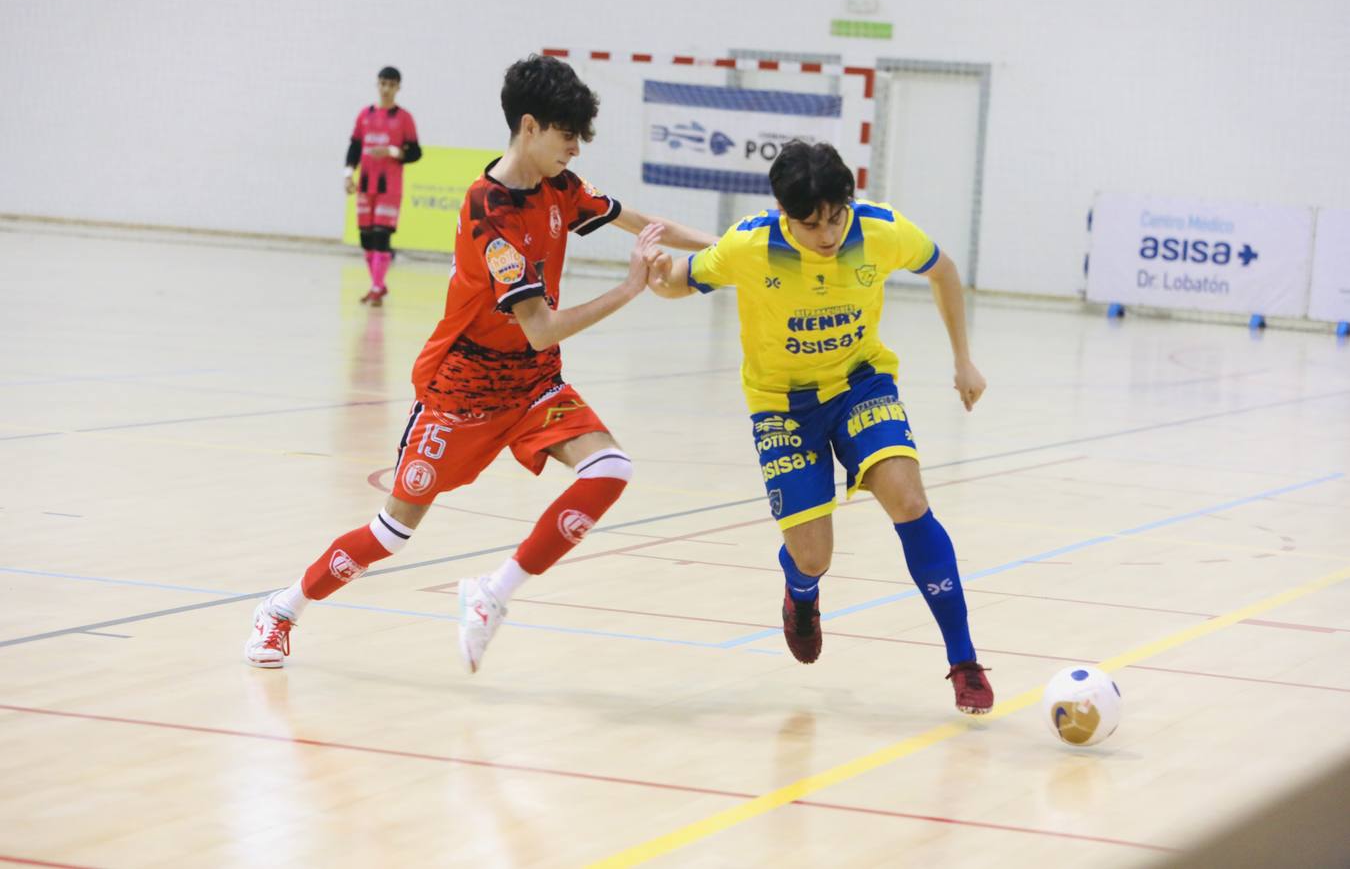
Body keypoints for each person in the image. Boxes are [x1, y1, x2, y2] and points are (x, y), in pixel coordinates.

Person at [248, 55, 714, 672]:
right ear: (529, 126)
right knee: (391, 534)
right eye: (566, 134)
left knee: (610, 468)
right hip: (460, 392)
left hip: (533, 384)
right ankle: (282, 610)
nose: (575, 149)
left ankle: (493, 595)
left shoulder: (561, 189)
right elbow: (541, 326)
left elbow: (646, 222)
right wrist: (630, 289)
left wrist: (736, 247)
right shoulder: (487, 212)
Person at [644, 141, 995, 714]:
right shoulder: (750, 245)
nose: (827, 234)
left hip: (861, 385)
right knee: (811, 557)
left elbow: (945, 270)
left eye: (835, 217)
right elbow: (681, 279)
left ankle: (963, 661)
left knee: (908, 500)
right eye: (811, 225)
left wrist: (963, 359)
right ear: (785, 215)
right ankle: (801, 593)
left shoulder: (881, 231)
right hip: (782, 405)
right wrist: (658, 274)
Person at [345, 66, 422, 306]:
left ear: (398, 87)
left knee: (381, 234)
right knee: (366, 237)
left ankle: (377, 286)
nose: (386, 89)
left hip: (389, 186)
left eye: (391, 84)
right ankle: (378, 283)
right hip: (366, 185)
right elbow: (355, 146)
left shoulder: (404, 118)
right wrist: (348, 174)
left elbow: (415, 152)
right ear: (377, 85)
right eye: (383, 84)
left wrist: (391, 151)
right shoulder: (364, 115)